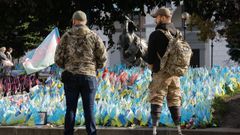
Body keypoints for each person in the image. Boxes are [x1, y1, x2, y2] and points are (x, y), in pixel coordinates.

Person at [54, 10, 107, 135]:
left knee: (71, 109)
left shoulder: (66, 36)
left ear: (73, 21)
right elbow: (103, 57)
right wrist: (94, 68)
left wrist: (66, 66)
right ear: (85, 21)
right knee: (89, 110)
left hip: (70, 76)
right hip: (89, 77)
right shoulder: (94, 36)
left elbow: (57, 58)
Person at [147, 7, 184, 135]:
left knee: (156, 98)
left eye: (156, 17)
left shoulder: (156, 34)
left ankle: (154, 130)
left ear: (162, 18)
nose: (155, 20)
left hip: (160, 73)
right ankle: (179, 130)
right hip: (174, 73)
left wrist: (151, 66)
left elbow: (150, 56)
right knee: (175, 99)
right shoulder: (178, 33)